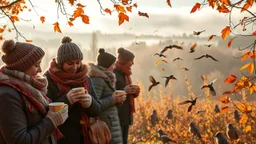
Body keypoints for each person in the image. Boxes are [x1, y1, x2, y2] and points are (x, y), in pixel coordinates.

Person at [0, 39, 68, 144]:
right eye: (36, 65)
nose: (40, 70)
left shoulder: (29, 87)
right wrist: (51, 121)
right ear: (22, 67)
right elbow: (19, 140)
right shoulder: (7, 95)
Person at [44, 36, 102, 144]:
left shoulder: (85, 78)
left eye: (78, 62)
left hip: (85, 137)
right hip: (61, 138)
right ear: (61, 63)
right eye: (70, 63)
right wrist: (67, 100)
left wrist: (90, 103)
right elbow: (44, 111)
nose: (75, 67)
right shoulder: (48, 80)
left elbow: (98, 110)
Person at [88, 48, 125, 144]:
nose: (114, 67)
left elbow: (108, 103)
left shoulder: (106, 79)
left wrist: (118, 101)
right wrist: (113, 99)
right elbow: (94, 105)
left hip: (111, 124)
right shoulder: (97, 80)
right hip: (105, 125)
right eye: (113, 65)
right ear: (107, 65)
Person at [114, 47, 140, 144]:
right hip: (118, 115)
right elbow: (112, 93)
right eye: (131, 61)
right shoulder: (115, 74)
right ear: (125, 61)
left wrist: (134, 93)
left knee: (125, 140)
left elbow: (126, 94)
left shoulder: (125, 74)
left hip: (126, 115)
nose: (132, 63)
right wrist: (125, 91)